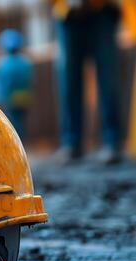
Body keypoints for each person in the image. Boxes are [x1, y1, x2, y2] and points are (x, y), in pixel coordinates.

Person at [51, 0, 122, 164]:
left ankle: (111, 142)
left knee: (108, 78)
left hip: (103, 9)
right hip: (67, 12)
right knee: (69, 81)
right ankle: (71, 142)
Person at [0, 29, 33, 140]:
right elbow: (30, 80)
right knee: (21, 123)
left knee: (11, 124)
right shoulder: (25, 62)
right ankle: (22, 144)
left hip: (9, 99)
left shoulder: (2, 64)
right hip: (23, 99)